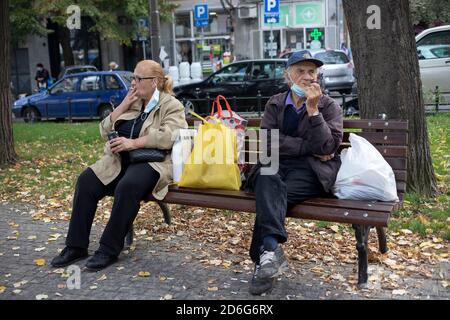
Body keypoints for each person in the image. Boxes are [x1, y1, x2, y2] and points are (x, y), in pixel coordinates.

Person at [51, 60, 188, 271]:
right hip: (120, 161)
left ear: (155, 82)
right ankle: (75, 246)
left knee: (127, 186)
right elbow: (104, 130)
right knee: (86, 181)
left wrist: (133, 143)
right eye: (133, 77)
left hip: (151, 162)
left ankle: (108, 249)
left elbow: (169, 136)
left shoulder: (171, 105)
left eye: (138, 79)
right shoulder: (132, 101)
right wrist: (124, 103)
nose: (133, 82)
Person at [244, 50, 343, 295]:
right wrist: (305, 147)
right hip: (274, 164)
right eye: (300, 71)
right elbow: (268, 143)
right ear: (288, 75)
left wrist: (313, 111)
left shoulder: (328, 106)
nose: (307, 77)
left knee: (271, 194)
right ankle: (271, 252)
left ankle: (265, 256)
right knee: (268, 177)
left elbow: (327, 147)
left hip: (311, 171)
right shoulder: (276, 102)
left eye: (312, 71)